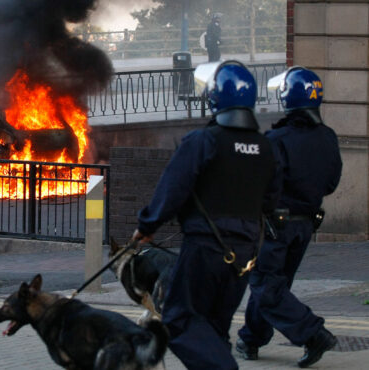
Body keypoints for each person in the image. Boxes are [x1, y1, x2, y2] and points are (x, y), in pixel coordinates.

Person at [132, 60, 281, 370]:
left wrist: (148, 225)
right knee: (214, 329)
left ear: (214, 98)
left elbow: (173, 187)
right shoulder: (267, 147)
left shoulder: (204, 141)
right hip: (246, 255)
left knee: (179, 319)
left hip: (206, 249)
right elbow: (271, 200)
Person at [236, 67, 342, 368]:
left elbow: (263, 183)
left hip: (276, 225)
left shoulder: (278, 138)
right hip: (307, 224)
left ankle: (313, 333)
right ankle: (251, 339)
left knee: (264, 283)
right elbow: (332, 183)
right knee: (275, 284)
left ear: (287, 96)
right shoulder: (328, 137)